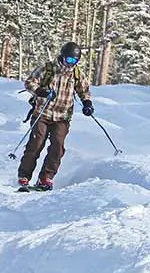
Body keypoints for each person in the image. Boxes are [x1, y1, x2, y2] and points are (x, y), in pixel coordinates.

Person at [17, 41, 93, 191]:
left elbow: (84, 90)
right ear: (63, 56)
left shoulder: (77, 74)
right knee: (36, 143)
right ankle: (24, 175)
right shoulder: (48, 69)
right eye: (69, 60)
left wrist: (87, 103)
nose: (71, 64)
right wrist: (40, 91)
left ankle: (46, 178)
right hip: (42, 113)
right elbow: (29, 82)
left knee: (58, 147)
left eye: (75, 61)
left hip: (62, 117)